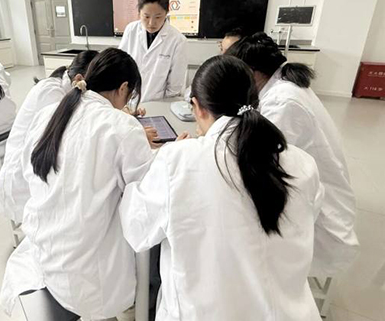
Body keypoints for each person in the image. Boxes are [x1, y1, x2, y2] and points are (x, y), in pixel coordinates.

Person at [120, 55, 323, 320]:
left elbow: (137, 229)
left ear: (197, 107)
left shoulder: (178, 160)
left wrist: (151, 169)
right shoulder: (302, 162)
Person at [0, 48, 154, 320]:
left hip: (46, 257)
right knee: (150, 257)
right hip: (90, 280)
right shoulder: (122, 126)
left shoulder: (51, 113)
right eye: (129, 95)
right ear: (123, 88)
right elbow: (146, 196)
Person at [226, 32, 359, 277]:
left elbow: (256, 159)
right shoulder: (282, 87)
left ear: (253, 73)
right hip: (308, 189)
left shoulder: (283, 103)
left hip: (321, 218)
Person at [0, 50, 99, 222]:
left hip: (42, 163)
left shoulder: (65, 86)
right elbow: (72, 133)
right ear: (80, 78)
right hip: (25, 176)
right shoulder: (51, 92)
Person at [119, 0, 187, 102]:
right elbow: (120, 67)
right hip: (129, 101)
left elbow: (174, 88)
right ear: (139, 12)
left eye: (158, 17)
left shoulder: (178, 41)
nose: (151, 23)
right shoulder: (131, 30)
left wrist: (160, 108)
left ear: (167, 12)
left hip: (158, 104)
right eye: (146, 16)